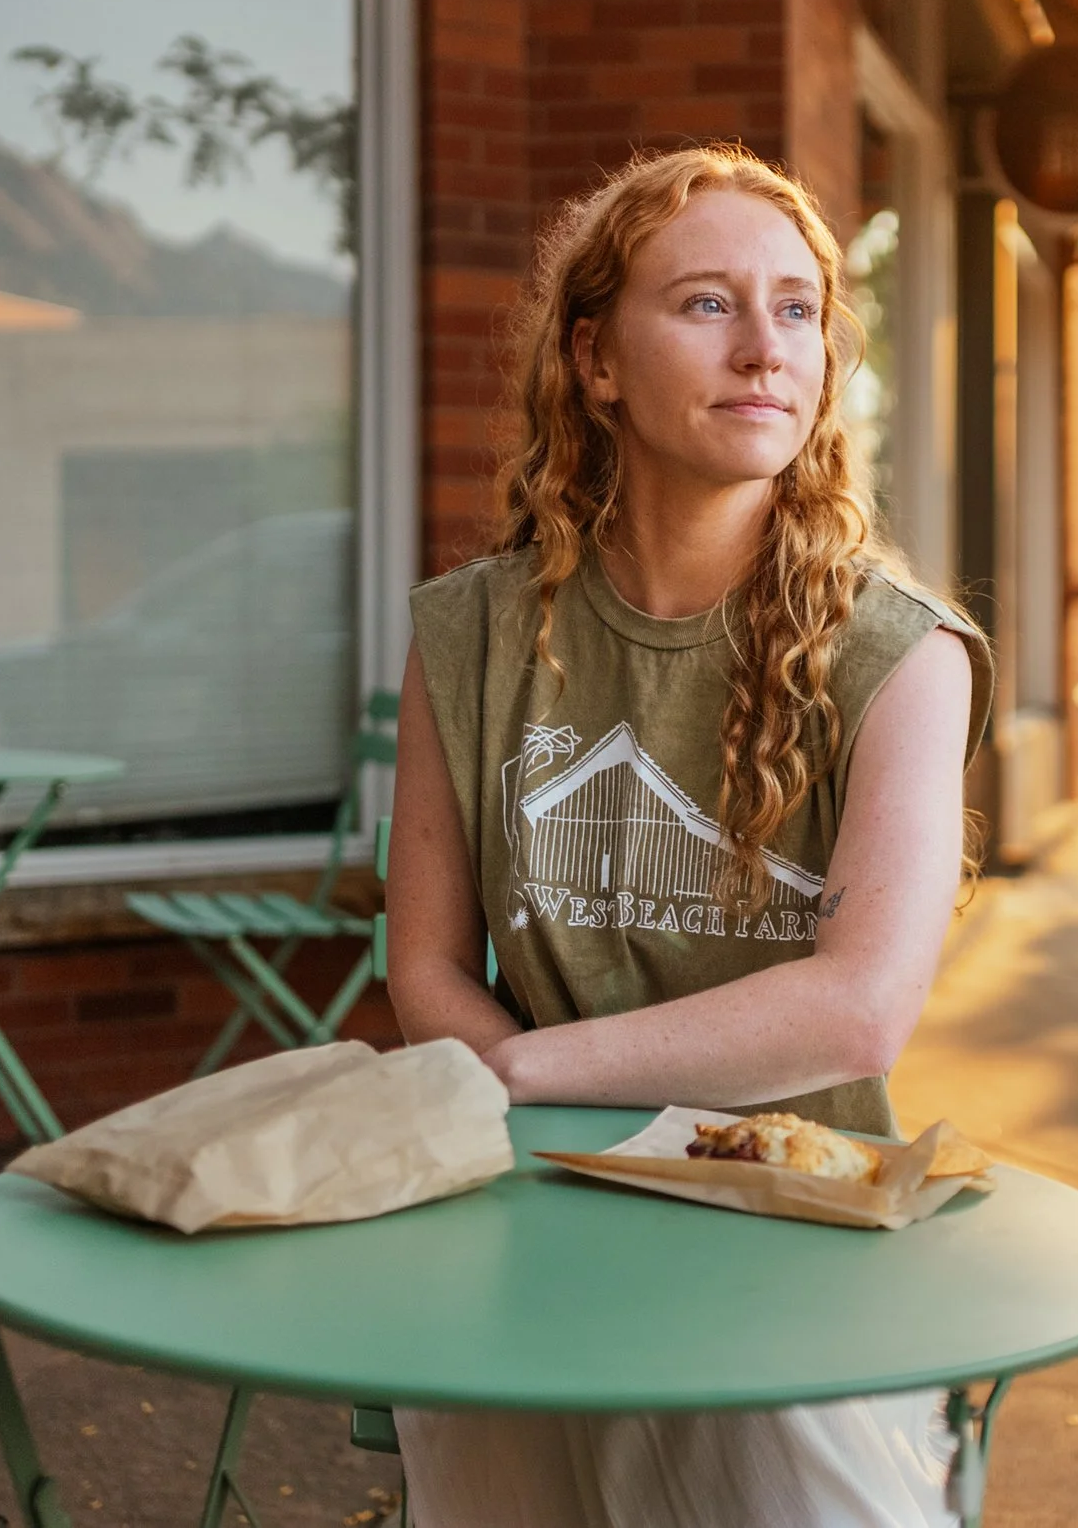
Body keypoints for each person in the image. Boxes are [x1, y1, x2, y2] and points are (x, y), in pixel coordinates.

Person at [382, 143, 994, 1528]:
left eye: (796, 310)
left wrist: (525, 1069)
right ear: (595, 360)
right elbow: (421, 960)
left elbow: (855, 1016)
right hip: (522, 1206)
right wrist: (524, 1106)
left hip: (787, 1234)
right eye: (708, 304)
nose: (764, 348)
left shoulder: (902, 654)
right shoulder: (467, 633)